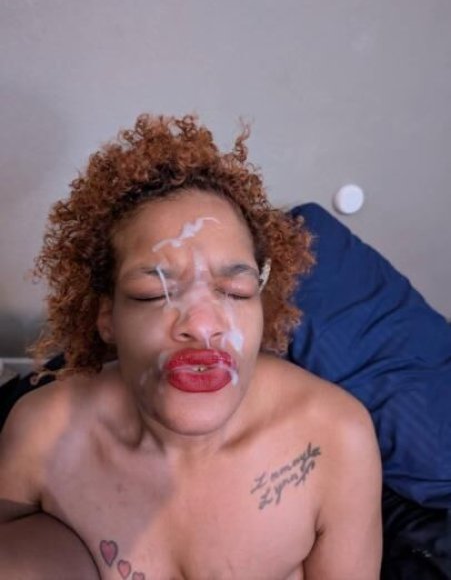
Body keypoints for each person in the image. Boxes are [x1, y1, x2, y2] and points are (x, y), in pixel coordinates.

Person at [0, 115, 382, 579]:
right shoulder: (42, 434)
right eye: (152, 294)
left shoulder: (336, 438)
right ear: (106, 318)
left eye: (236, 292)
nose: (202, 327)